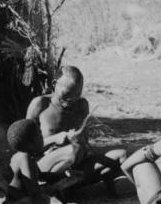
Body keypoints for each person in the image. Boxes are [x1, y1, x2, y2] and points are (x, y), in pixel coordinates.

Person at [26, 65, 127, 194]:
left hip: (76, 165)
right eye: (67, 95)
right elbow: (25, 147)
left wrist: (83, 142)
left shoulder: (82, 105)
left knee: (121, 155)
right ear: (54, 84)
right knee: (73, 149)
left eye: (76, 96)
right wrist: (54, 139)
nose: (70, 101)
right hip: (46, 168)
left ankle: (69, 186)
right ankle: (51, 190)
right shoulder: (40, 104)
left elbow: (85, 143)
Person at [0, 118, 78, 204]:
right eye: (39, 134)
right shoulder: (25, 158)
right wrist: (55, 188)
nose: (42, 137)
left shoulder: (21, 156)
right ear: (32, 141)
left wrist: (63, 175)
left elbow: (41, 176)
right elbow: (34, 192)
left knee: (40, 197)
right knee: (42, 200)